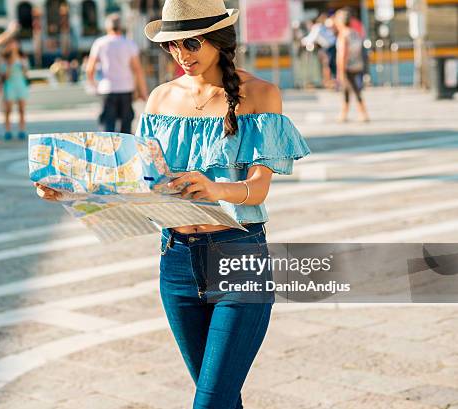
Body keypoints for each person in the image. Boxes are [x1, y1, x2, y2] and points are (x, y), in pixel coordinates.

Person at [35, 0, 311, 407]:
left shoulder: (261, 94)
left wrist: (215, 189)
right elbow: (138, 187)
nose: (182, 55)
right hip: (176, 263)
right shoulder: (160, 100)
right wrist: (70, 190)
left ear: (218, 39)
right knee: (219, 399)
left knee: (210, 402)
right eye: (172, 46)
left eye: (192, 43)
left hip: (239, 257)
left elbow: (258, 188)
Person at [86, 13, 148, 134]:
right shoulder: (129, 44)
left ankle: (107, 152)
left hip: (107, 89)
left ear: (107, 27)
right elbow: (138, 70)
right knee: (126, 129)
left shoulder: (100, 43)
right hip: (126, 89)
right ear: (121, 27)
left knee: (107, 129)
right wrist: (143, 92)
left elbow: (90, 69)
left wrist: (94, 85)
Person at [335, 8, 370, 122]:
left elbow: (342, 55)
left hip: (347, 67)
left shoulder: (343, 35)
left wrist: (340, 71)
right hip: (357, 65)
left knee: (354, 90)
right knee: (350, 90)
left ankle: (362, 113)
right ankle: (344, 113)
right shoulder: (355, 33)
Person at [0, 39, 29, 141]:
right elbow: (5, 76)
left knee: (22, 109)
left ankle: (22, 130)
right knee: (8, 110)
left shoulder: (23, 58)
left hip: (21, 85)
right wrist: (10, 63)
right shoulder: (5, 60)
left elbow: (26, 74)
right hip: (10, 85)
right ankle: (7, 131)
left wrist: (22, 65)